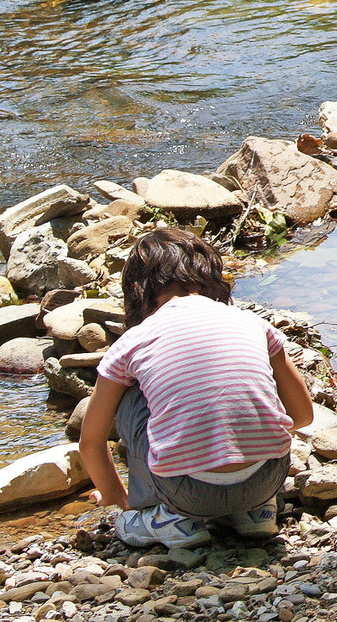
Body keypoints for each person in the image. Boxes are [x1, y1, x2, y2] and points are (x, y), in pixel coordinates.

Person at [79, 228, 315, 548]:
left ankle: (168, 518)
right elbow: (301, 416)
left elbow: (91, 441)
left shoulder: (132, 342)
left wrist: (115, 497)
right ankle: (255, 513)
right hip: (267, 477)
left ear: (137, 289)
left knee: (130, 395)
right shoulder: (252, 323)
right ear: (210, 279)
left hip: (187, 494)